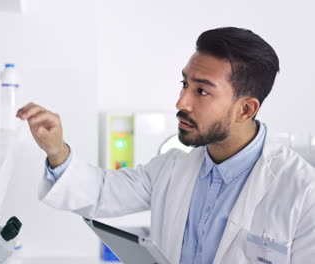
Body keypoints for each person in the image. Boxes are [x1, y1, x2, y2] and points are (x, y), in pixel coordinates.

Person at [16, 27, 315, 264]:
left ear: (246, 110)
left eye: (202, 91)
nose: (181, 102)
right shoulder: (172, 167)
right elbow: (101, 192)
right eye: (185, 84)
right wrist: (56, 149)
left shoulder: (303, 193)